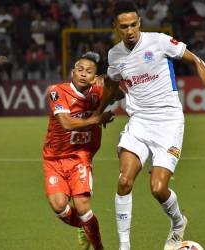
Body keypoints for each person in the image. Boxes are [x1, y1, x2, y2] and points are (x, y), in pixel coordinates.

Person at [97, 1, 205, 250]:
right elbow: (112, 86)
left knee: (158, 188)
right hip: (139, 122)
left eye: (134, 24)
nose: (130, 30)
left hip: (168, 122)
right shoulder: (114, 55)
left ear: (139, 23)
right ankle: (124, 247)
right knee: (124, 181)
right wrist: (97, 114)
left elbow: (196, 61)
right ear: (116, 27)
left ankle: (178, 222)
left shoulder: (158, 41)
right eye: (124, 26)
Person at [42, 51, 117, 250]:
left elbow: (119, 93)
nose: (84, 73)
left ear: (94, 77)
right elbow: (66, 123)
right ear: (73, 72)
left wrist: (110, 83)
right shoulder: (56, 91)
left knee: (83, 208)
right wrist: (97, 119)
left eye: (89, 71)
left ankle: (98, 247)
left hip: (80, 156)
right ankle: (84, 228)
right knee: (60, 208)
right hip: (54, 159)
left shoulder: (97, 92)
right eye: (80, 70)